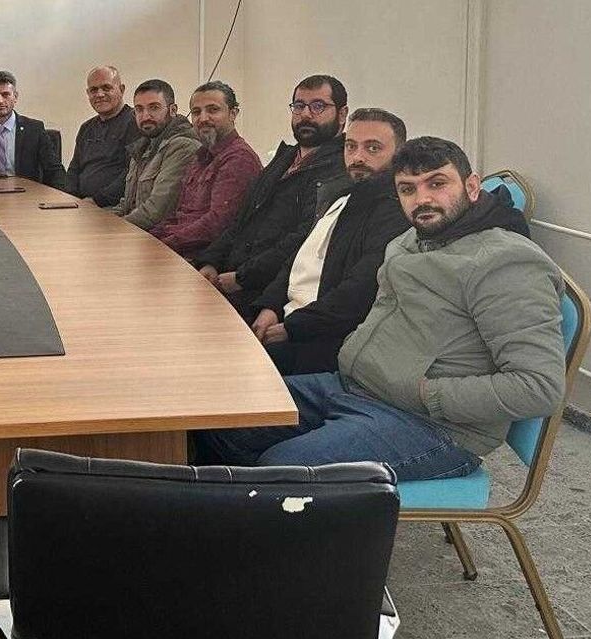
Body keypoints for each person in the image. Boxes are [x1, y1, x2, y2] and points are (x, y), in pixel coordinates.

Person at [192, 137, 564, 482]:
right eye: (408, 189)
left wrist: (426, 393)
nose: (422, 199)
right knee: (218, 416)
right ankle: (250, 509)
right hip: (354, 387)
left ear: (471, 186)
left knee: (282, 468)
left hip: (433, 425)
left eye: (437, 184)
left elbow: (539, 387)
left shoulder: (506, 264)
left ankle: (285, 513)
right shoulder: (411, 241)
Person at [250, 108, 411, 374]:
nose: (358, 157)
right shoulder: (342, 197)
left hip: (324, 342)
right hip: (289, 322)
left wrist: (290, 328)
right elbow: (299, 258)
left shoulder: (394, 212)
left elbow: (358, 292)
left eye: (373, 148)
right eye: (351, 146)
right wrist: (270, 306)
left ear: (399, 155)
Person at [193, 74, 351, 315]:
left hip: (267, 294)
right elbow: (241, 220)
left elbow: (301, 241)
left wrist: (241, 277)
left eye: (318, 106)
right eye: (299, 106)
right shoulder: (284, 159)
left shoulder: (340, 172)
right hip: (228, 277)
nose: (306, 114)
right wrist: (210, 261)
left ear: (342, 114)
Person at [149, 81, 262, 259]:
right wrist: (148, 237)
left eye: (213, 110)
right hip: (176, 248)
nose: (203, 118)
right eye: (196, 112)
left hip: (200, 258)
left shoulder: (239, 159)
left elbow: (217, 224)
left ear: (233, 113)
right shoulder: (201, 156)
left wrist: (163, 245)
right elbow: (180, 215)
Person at [111, 79, 201, 230]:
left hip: (160, 238)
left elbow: (156, 212)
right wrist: (100, 222)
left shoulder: (183, 147)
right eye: (139, 109)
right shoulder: (142, 147)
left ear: (173, 110)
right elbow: (127, 204)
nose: (145, 116)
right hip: (135, 232)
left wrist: (113, 230)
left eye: (154, 108)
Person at [63, 65, 141, 207]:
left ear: (122, 89)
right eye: (93, 90)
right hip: (80, 206)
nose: (99, 94)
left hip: (114, 208)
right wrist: (70, 198)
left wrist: (96, 200)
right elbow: (74, 169)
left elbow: (131, 173)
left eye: (106, 88)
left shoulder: (135, 123)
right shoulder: (86, 127)